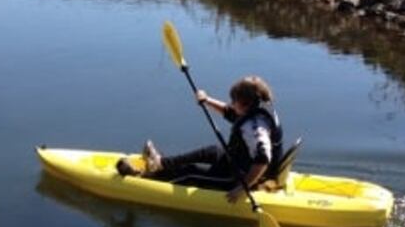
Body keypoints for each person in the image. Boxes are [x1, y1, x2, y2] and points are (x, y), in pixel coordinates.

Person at [116, 76, 284, 203]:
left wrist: (242, 189)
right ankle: (161, 163)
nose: (231, 104)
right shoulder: (257, 108)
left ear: (247, 103)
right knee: (212, 151)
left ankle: (142, 180)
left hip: (241, 178)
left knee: (191, 172)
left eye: (234, 101)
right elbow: (233, 114)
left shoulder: (255, 127)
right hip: (238, 162)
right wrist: (207, 100)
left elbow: (263, 158)